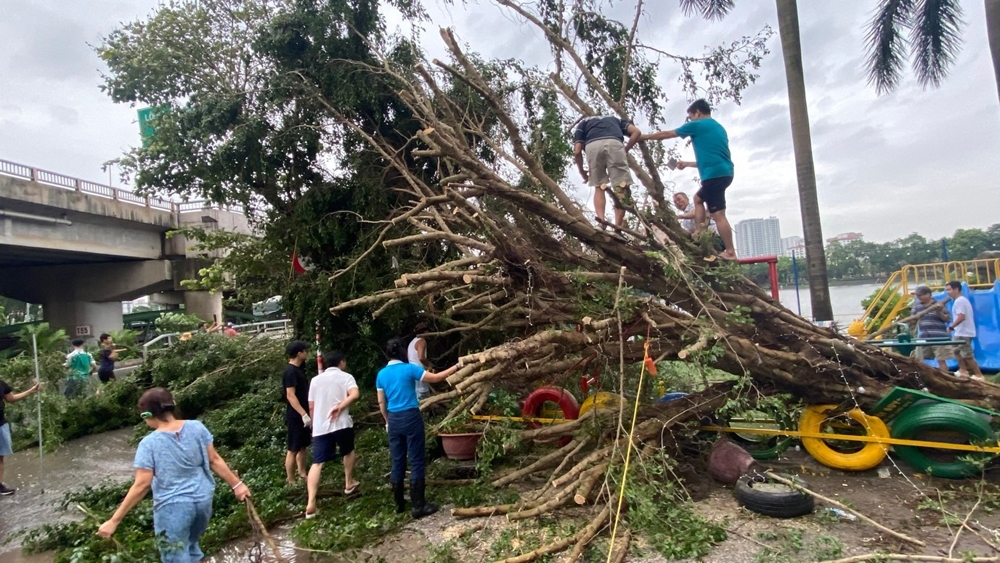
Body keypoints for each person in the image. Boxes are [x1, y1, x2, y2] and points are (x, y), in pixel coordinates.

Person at [97, 387, 251, 562]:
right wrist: (237, 485)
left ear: (147, 415)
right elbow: (214, 460)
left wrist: (114, 521)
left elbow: (142, 485)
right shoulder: (197, 428)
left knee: (175, 556)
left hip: (173, 509)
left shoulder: (149, 444)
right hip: (203, 502)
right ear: (172, 406)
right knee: (191, 548)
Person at [376, 337, 461, 518]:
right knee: (416, 459)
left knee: (397, 461)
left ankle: (399, 504)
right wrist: (457, 366)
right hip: (411, 416)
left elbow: (381, 402)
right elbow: (437, 377)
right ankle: (418, 506)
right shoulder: (409, 369)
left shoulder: (381, 374)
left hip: (394, 419)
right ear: (402, 353)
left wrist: (387, 420)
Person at [642, 99, 737, 260]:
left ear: (698, 112)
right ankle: (700, 231)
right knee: (698, 198)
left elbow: (667, 134)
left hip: (713, 175)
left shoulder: (698, 125)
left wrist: (644, 137)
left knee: (718, 214)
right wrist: (686, 164)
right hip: (725, 172)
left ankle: (729, 251)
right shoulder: (718, 128)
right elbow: (711, 159)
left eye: (690, 116)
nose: (690, 120)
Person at [305, 351, 360, 518]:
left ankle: (311, 501)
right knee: (348, 451)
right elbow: (355, 394)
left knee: (317, 463)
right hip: (341, 423)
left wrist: (315, 424)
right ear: (341, 362)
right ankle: (349, 482)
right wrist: (341, 406)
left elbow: (312, 406)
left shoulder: (315, 380)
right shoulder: (346, 377)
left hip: (321, 427)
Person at [573, 115, 642, 228]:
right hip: (614, 143)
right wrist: (625, 150)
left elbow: (577, 152)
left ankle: (601, 222)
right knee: (621, 186)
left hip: (592, 146)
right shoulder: (615, 119)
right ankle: (618, 228)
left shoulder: (584, 123)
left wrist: (583, 173)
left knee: (599, 186)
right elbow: (636, 132)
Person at [0, 379, 41, 496]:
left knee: (0, 457)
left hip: (0, 424)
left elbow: (11, 399)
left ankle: (0, 486)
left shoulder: (1, 384)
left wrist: (31, 391)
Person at [283, 341, 311, 485]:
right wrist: (303, 414)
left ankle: (302, 473)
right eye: (305, 351)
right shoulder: (290, 371)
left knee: (302, 446)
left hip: (303, 413)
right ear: (299, 353)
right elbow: (290, 395)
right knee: (293, 448)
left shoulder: (300, 370)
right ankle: (290, 479)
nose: (307, 353)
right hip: (296, 416)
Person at [945, 281, 984, 379]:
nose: (947, 292)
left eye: (949, 289)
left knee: (967, 354)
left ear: (956, 289)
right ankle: (963, 370)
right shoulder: (959, 300)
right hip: (960, 332)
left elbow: (961, 316)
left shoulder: (960, 301)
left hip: (964, 332)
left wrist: (951, 327)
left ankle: (979, 375)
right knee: (955, 351)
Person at [909, 285, 952, 373]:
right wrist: (915, 318)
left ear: (928, 294)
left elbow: (947, 319)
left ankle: (946, 379)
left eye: (920, 295)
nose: (918, 297)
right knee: (918, 358)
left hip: (939, 336)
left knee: (941, 360)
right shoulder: (917, 306)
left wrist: (939, 311)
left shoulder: (939, 304)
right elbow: (912, 319)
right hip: (924, 336)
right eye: (917, 295)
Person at [407, 323, 433, 399]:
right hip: (419, 371)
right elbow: (421, 357)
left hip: (412, 371)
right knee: (423, 394)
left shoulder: (412, 342)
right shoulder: (422, 341)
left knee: (416, 393)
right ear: (424, 332)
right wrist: (429, 365)